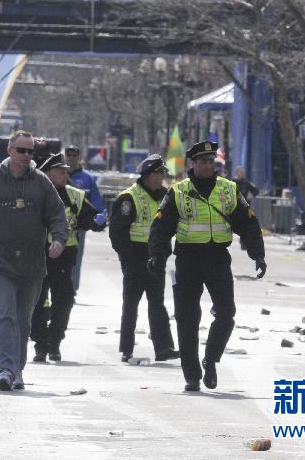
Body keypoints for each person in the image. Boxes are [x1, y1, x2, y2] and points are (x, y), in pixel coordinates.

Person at [148, 140, 267, 393]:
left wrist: (257, 253)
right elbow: (161, 227)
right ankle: (192, 375)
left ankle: (211, 359)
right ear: (193, 164)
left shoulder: (228, 189)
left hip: (217, 259)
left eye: (211, 161)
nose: (207, 166)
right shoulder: (179, 192)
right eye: (202, 161)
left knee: (226, 313)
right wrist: (157, 256)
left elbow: (248, 223)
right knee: (187, 319)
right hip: (188, 260)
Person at [0, 130, 69, 391]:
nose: (26, 156)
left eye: (30, 151)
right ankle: (6, 368)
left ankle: (16, 370)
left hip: (32, 265)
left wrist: (58, 239)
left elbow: (57, 215)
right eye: (21, 150)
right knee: (5, 315)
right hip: (1, 263)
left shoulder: (41, 182)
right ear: (9, 151)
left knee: (23, 319)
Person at [30, 152, 103, 363]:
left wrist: (97, 222)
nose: (65, 174)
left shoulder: (75, 195)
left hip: (64, 259)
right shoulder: (34, 193)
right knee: (36, 301)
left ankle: (54, 342)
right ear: (47, 173)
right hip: (38, 257)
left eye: (66, 171)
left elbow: (88, 219)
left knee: (64, 301)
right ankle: (40, 344)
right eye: (60, 171)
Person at [108, 154, 179, 363]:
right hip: (135, 258)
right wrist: (127, 257)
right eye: (159, 174)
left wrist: (164, 252)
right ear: (148, 175)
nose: (162, 178)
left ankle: (164, 348)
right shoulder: (129, 198)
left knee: (157, 303)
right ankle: (127, 349)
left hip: (157, 257)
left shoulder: (166, 196)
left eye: (163, 174)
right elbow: (117, 233)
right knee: (131, 304)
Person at [63, 145, 105, 294]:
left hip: (78, 225)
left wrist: (99, 217)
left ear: (79, 158)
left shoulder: (87, 178)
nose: (71, 157)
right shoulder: (57, 173)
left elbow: (95, 200)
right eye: (69, 154)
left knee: (76, 257)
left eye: (74, 155)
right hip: (58, 224)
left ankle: (71, 288)